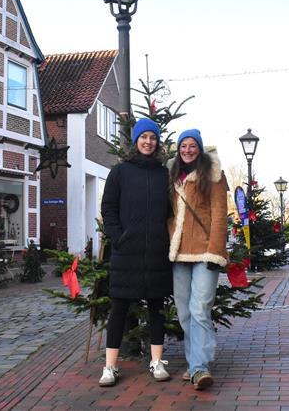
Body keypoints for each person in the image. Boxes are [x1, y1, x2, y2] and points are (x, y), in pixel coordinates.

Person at [98, 118, 173, 387]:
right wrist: (119, 237)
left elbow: (172, 212)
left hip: (156, 251)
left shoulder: (164, 174)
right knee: (118, 308)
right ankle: (110, 366)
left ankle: (156, 361)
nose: (148, 142)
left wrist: (166, 240)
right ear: (136, 140)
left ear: (157, 142)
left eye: (153, 138)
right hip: (126, 252)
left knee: (156, 308)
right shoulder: (120, 172)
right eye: (144, 137)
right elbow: (108, 208)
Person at [167, 129, 229, 390]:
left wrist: (216, 251)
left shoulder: (213, 174)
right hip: (179, 253)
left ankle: (200, 368)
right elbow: (167, 214)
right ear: (179, 148)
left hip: (205, 252)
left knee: (199, 309)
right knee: (184, 313)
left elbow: (219, 214)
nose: (188, 150)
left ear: (200, 149)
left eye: (193, 146)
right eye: (184, 145)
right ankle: (195, 363)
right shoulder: (171, 175)